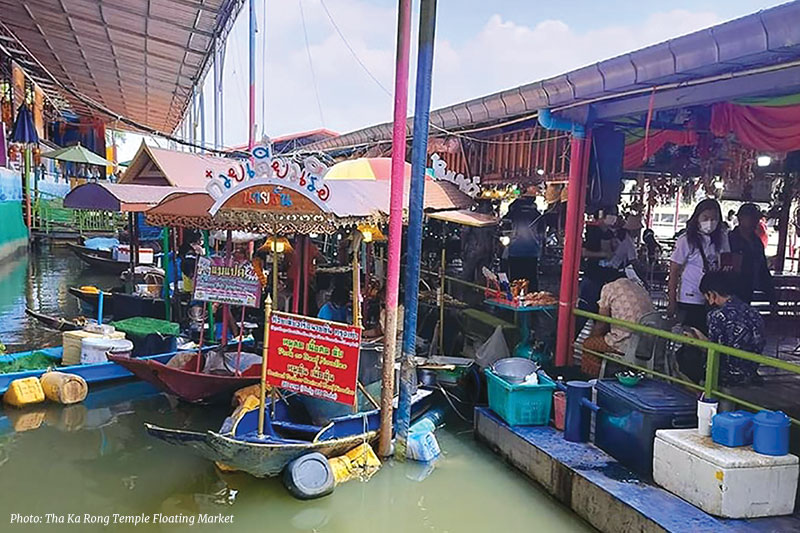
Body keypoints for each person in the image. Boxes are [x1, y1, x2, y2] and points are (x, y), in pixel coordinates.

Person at [687, 272, 764, 385]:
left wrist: (696, 339)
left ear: (712, 294)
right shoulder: (753, 312)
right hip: (751, 372)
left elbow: (714, 351)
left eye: (707, 296)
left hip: (727, 376)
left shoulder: (717, 315)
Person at [667, 198, 729, 333]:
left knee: (710, 335)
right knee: (691, 337)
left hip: (714, 298)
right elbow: (674, 270)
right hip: (690, 297)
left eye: (714, 218)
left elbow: (726, 262)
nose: (710, 222)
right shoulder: (686, 239)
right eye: (705, 217)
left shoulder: (722, 238)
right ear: (697, 218)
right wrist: (672, 300)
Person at [581, 271, 654, 376]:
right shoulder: (639, 288)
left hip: (625, 343)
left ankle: (594, 380)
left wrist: (592, 336)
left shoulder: (609, 288)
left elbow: (602, 323)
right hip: (648, 343)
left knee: (588, 344)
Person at [728, 203, 776, 306]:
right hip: (730, 290)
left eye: (756, 218)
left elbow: (762, 268)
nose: (754, 221)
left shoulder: (757, 242)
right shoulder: (730, 239)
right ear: (740, 218)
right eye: (751, 217)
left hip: (748, 289)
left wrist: (770, 291)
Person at [504, 188, 543, 290]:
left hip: (515, 251)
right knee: (531, 281)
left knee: (515, 282)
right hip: (532, 252)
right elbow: (542, 235)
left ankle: (515, 303)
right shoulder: (538, 215)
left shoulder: (513, 213)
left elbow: (504, 226)